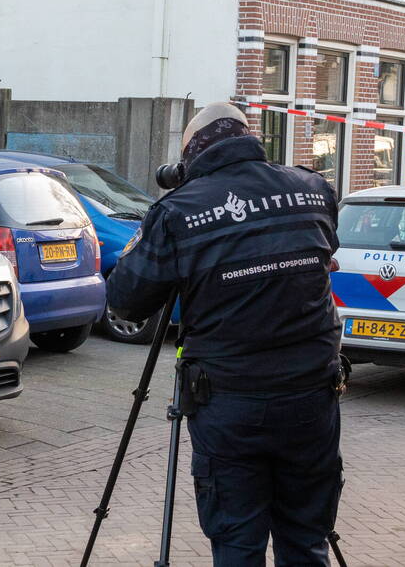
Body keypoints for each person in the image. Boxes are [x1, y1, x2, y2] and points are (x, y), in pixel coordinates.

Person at [106, 102, 344, 567]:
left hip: (231, 402)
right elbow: (322, 253)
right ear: (247, 138)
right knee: (306, 537)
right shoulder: (314, 189)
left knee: (237, 541)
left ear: (191, 155)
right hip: (312, 397)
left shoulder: (178, 210)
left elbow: (126, 300)